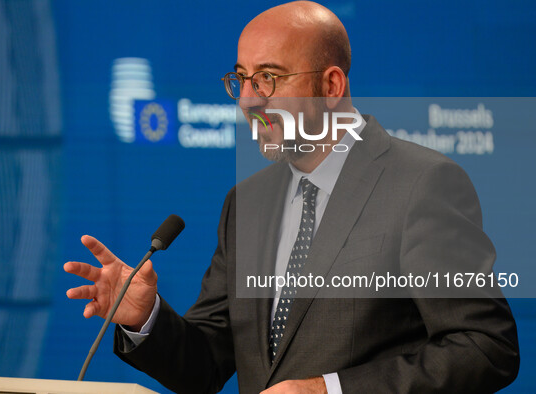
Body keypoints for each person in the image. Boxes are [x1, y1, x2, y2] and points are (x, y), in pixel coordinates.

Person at [64, 1, 519, 393]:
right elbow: (205, 365)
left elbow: (484, 346)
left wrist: (332, 389)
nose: (247, 100)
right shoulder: (247, 202)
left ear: (331, 86)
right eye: (241, 79)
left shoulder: (420, 183)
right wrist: (146, 318)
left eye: (268, 78)